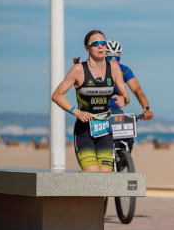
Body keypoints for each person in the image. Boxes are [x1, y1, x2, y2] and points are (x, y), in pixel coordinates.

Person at [51, 30, 130, 171]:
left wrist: (123, 99)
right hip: (84, 131)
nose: (100, 46)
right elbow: (57, 95)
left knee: (104, 178)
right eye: (95, 43)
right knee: (93, 176)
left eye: (103, 43)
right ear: (87, 48)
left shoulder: (114, 68)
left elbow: (126, 97)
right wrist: (75, 111)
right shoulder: (78, 70)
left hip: (105, 130)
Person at [105, 40, 153, 151]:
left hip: (115, 109)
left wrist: (146, 109)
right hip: (96, 109)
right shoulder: (96, 70)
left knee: (127, 136)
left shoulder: (124, 71)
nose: (113, 61)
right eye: (110, 57)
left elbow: (137, 90)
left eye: (117, 58)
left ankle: (123, 159)